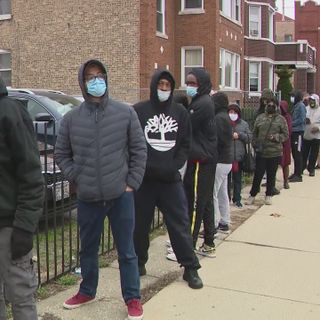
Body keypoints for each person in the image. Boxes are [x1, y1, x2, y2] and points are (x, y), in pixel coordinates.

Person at [54, 59, 147, 320]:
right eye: (90, 77)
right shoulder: (72, 119)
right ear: (83, 83)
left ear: (106, 78)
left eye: (100, 75)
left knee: (127, 251)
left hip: (120, 196)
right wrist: (77, 177)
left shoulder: (125, 113)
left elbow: (139, 150)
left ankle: (132, 298)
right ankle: (87, 290)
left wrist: (132, 183)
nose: (96, 81)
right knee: (88, 249)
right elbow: (62, 153)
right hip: (88, 197)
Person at [133, 70, 203, 289]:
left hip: (170, 179)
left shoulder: (180, 112)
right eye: (160, 84)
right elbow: (132, 142)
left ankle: (190, 267)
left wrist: (175, 164)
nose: (163, 89)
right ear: (154, 85)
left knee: (179, 224)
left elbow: (185, 143)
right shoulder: (139, 111)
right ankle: (138, 263)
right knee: (139, 225)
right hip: (144, 180)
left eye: (167, 85)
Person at [0, 77, 44, 320]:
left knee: (21, 297)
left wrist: (25, 227)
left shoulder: (9, 112)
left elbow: (31, 175)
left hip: (9, 228)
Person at [183, 68, 217, 257]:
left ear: (202, 84)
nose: (189, 87)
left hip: (200, 160)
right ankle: (209, 241)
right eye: (188, 83)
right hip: (205, 158)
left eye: (193, 83)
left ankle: (188, 247)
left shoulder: (202, 103)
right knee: (205, 201)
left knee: (195, 203)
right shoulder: (200, 101)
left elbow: (186, 125)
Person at [246, 98, 289, 205]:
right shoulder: (260, 118)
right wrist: (254, 143)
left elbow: (286, 135)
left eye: (272, 105)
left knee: (271, 174)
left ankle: (269, 194)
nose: (270, 106)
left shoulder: (281, 119)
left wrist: (276, 137)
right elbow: (254, 133)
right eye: (268, 105)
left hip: (274, 152)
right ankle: (253, 194)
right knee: (258, 174)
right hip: (261, 151)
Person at [211, 92, 233, 233]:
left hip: (219, 161)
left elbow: (216, 141)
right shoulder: (226, 117)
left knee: (212, 193)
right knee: (222, 192)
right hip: (227, 160)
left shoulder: (219, 119)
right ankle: (224, 220)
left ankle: (213, 223)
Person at [227, 103, 252, 208]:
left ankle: (237, 199)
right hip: (227, 156)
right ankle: (227, 198)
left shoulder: (244, 124)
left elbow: (250, 137)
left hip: (239, 156)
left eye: (234, 112)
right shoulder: (225, 123)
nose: (232, 114)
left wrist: (240, 136)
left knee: (237, 179)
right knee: (227, 180)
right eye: (230, 112)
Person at [289, 90, 306, 182]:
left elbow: (301, 119)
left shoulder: (301, 106)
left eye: (292, 96)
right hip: (294, 132)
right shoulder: (295, 106)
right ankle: (295, 172)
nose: (291, 98)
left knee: (298, 153)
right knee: (295, 154)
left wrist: (291, 124)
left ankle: (298, 175)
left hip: (299, 132)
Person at [302, 94, 320, 177]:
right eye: (310, 101)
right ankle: (302, 167)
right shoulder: (306, 109)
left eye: (313, 100)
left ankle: (311, 169)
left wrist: (318, 128)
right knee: (304, 152)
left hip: (316, 136)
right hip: (306, 134)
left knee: (314, 154)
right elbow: (302, 119)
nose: (311, 102)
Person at [279, 100, 292, 189]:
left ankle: (286, 181)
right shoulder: (276, 117)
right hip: (276, 142)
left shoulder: (287, 117)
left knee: (285, 162)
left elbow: (289, 130)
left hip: (285, 142)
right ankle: (270, 181)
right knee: (274, 163)